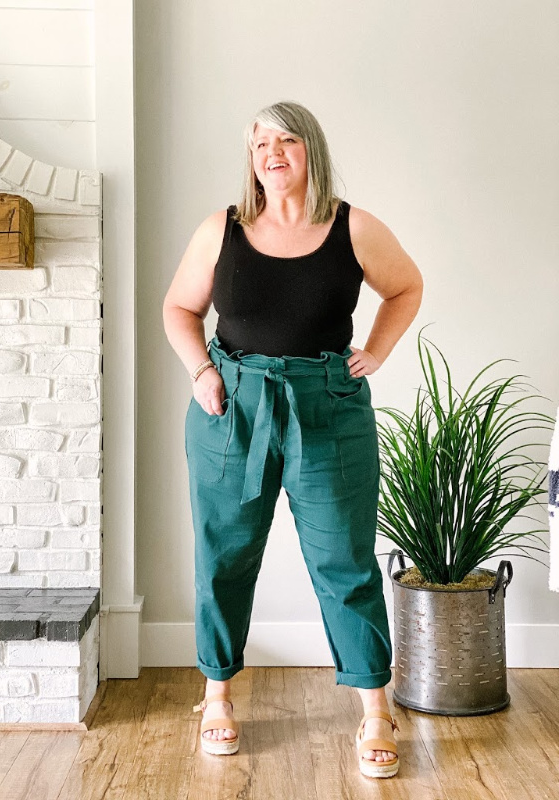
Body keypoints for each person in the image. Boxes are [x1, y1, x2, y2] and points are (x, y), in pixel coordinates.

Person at [162, 101, 423, 778]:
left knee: (344, 561)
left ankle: (374, 710)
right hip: (233, 407)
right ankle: (216, 697)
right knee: (223, 557)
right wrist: (200, 372)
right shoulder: (221, 229)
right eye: (259, 143)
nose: (271, 153)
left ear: (311, 149)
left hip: (328, 408)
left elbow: (405, 287)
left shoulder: (352, 227)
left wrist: (377, 349)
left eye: (285, 140)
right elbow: (179, 308)